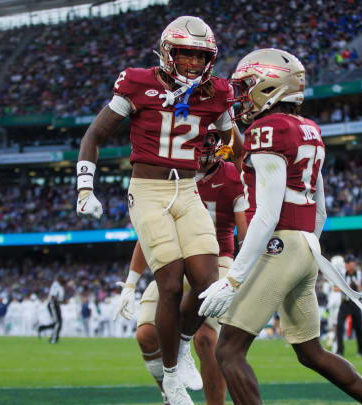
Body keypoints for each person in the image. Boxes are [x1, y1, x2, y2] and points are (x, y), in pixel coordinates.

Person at [198, 48, 362, 405]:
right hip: (306, 248)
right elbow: (320, 209)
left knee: (228, 351)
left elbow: (267, 214)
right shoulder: (310, 129)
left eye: (248, 85)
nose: (242, 95)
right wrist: (307, 251)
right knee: (310, 352)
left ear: (269, 86)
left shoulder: (266, 129)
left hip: (281, 245)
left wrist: (234, 278)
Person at [74, 15, 241, 405]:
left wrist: (235, 149)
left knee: (207, 284)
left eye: (201, 57)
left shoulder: (216, 92)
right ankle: (170, 378)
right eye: (185, 55)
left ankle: (182, 348)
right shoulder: (136, 82)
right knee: (168, 283)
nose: (193, 65)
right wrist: (85, 188)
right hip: (148, 190)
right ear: (168, 52)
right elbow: (95, 134)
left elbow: (235, 142)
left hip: (188, 189)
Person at [116, 128, 248, 405]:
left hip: (218, 259)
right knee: (146, 334)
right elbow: (147, 235)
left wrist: (242, 272)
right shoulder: (169, 177)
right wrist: (131, 282)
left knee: (206, 339)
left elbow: (245, 233)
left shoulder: (230, 176)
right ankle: (170, 394)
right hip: (176, 258)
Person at [336, 255, 362, 357]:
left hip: (356, 303)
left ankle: (361, 350)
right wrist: (345, 288)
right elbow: (335, 288)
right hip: (344, 303)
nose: (349, 265)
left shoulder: (360, 275)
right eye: (347, 263)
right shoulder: (342, 275)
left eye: (350, 262)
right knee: (339, 326)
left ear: (354, 263)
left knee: (358, 327)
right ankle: (340, 350)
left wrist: (358, 287)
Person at [38, 276, 65, 344]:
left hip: (56, 305)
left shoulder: (59, 286)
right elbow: (53, 296)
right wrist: (58, 302)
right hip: (53, 305)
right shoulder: (56, 285)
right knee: (58, 323)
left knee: (59, 323)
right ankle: (53, 339)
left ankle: (42, 328)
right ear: (59, 279)